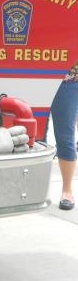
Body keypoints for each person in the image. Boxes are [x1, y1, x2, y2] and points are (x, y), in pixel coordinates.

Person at [50, 58, 78, 210]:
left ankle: (67, 191)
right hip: (35, 74)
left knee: (65, 136)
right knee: (30, 134)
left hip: (68, 79)